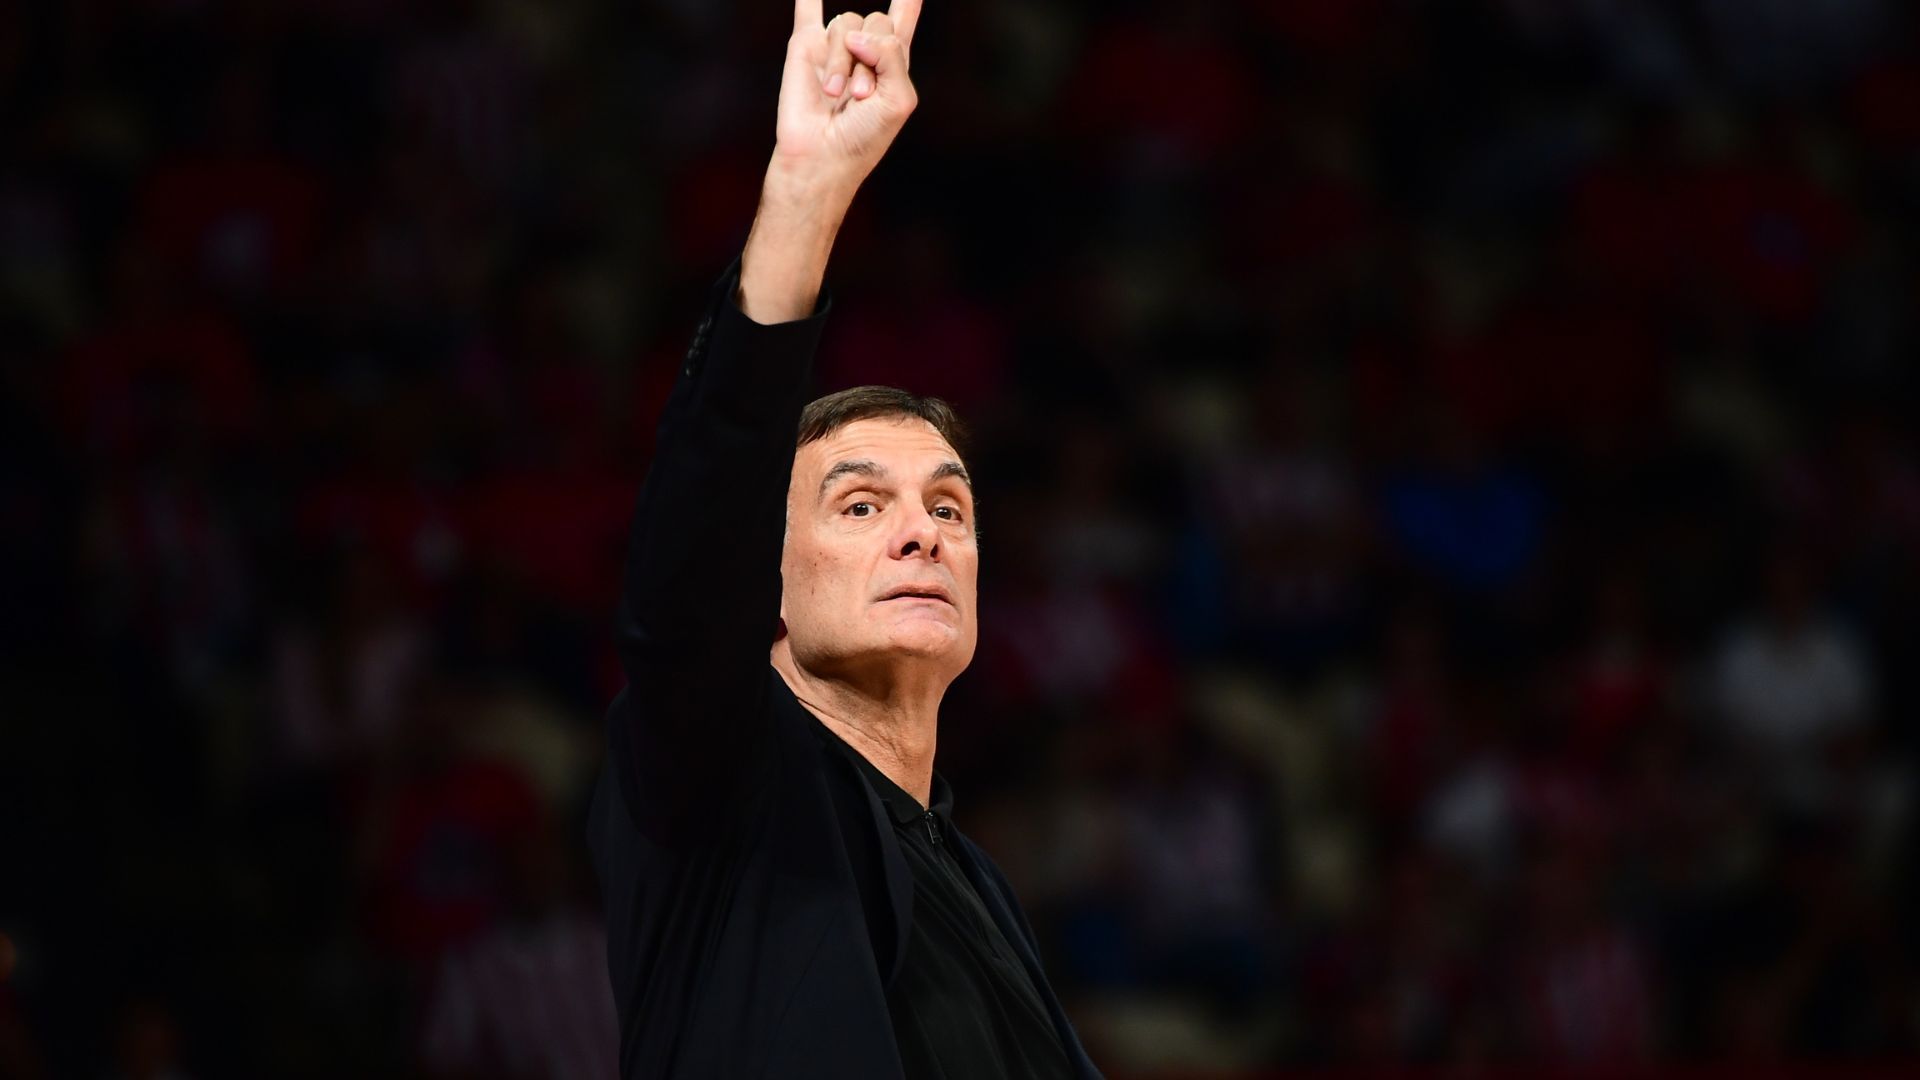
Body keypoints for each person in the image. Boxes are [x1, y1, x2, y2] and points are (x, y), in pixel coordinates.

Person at [585, 1, 1101, 1076]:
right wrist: (808, 194)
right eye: (861, 506)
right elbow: (697, 553)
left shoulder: (976, 884)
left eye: (948, 509)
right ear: (763, 588)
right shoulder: (725, 785)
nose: (921, 534)